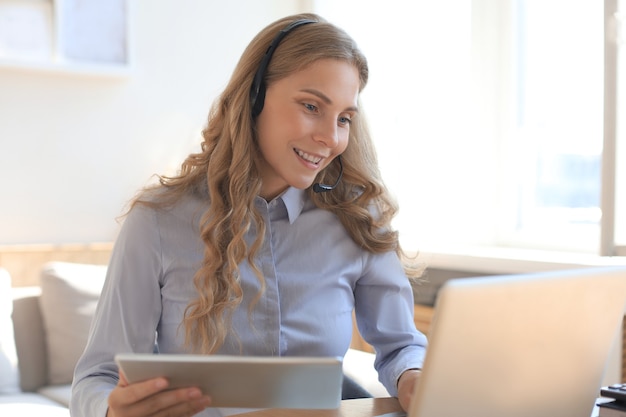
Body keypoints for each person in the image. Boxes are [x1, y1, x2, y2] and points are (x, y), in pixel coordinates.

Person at [70, 12, 428, 417]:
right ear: (254, 98)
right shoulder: (156, 221)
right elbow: (96, 378)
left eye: (344, 118)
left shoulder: (357, 219)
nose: (331, 137)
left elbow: (402, 346)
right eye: (312, 106)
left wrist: (413, 376)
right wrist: (110, 411)